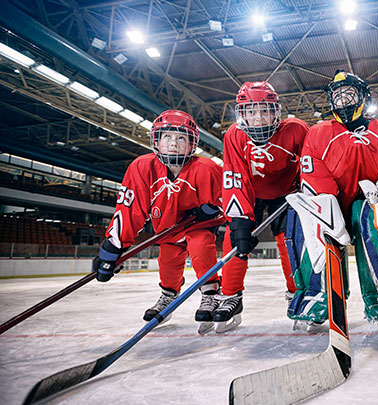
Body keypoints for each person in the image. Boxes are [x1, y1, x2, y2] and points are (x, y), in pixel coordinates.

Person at [293, 70, 378, 332]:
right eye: (337, 96)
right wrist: (328, 204)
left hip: (371, 204)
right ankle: (319, 297)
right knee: (304, 217)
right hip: (333, 204)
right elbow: (311, 171)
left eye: (349, 94)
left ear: (363, 97)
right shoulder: (317, 133)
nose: (343, 101)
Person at [93, 110, 223, 329]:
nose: (174, 143)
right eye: (167, 137)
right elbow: (129, 209)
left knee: (201, 249)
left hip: (197, 227)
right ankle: (168, 294)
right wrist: (112, 247)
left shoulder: (208, 169)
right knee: (168, 261)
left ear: (192, 143)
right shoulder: (142, 167)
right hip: (167, 229)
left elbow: (229, 201)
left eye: (181, 138)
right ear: (156, 140)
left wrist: (214, 210)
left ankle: (210, 292)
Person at [220, 81, 309, 332]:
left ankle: (297, 293)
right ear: (242, 114)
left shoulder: (296, 129)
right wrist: (240, 219)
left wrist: (307, 190)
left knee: (290, 241)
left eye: (265, 110)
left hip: (288, 194)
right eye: (250, 111)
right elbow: (235, 175)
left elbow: (312, 163)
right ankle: (231, 296)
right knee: (234, 239)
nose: (258, 118)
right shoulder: (234, 135)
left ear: (276, 111)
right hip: (251, 194)